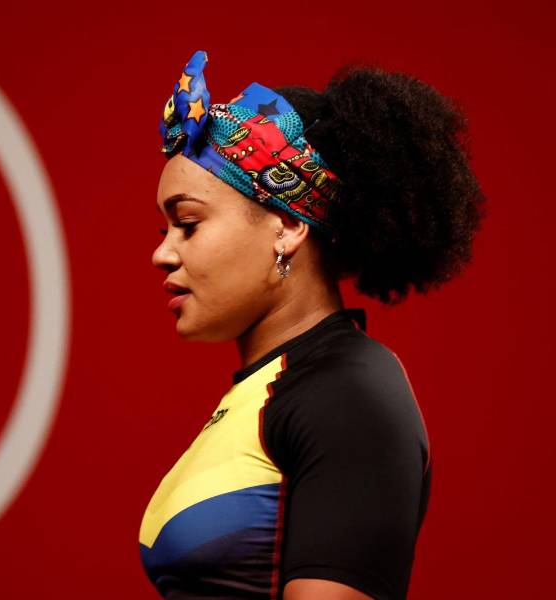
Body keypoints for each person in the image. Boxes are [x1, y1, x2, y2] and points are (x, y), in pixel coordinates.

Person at [138, 50, 485, 600]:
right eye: (164, 230)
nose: (162, 254)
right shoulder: (270, 390)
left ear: (287, 226)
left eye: (188, 223)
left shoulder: (349, 394)